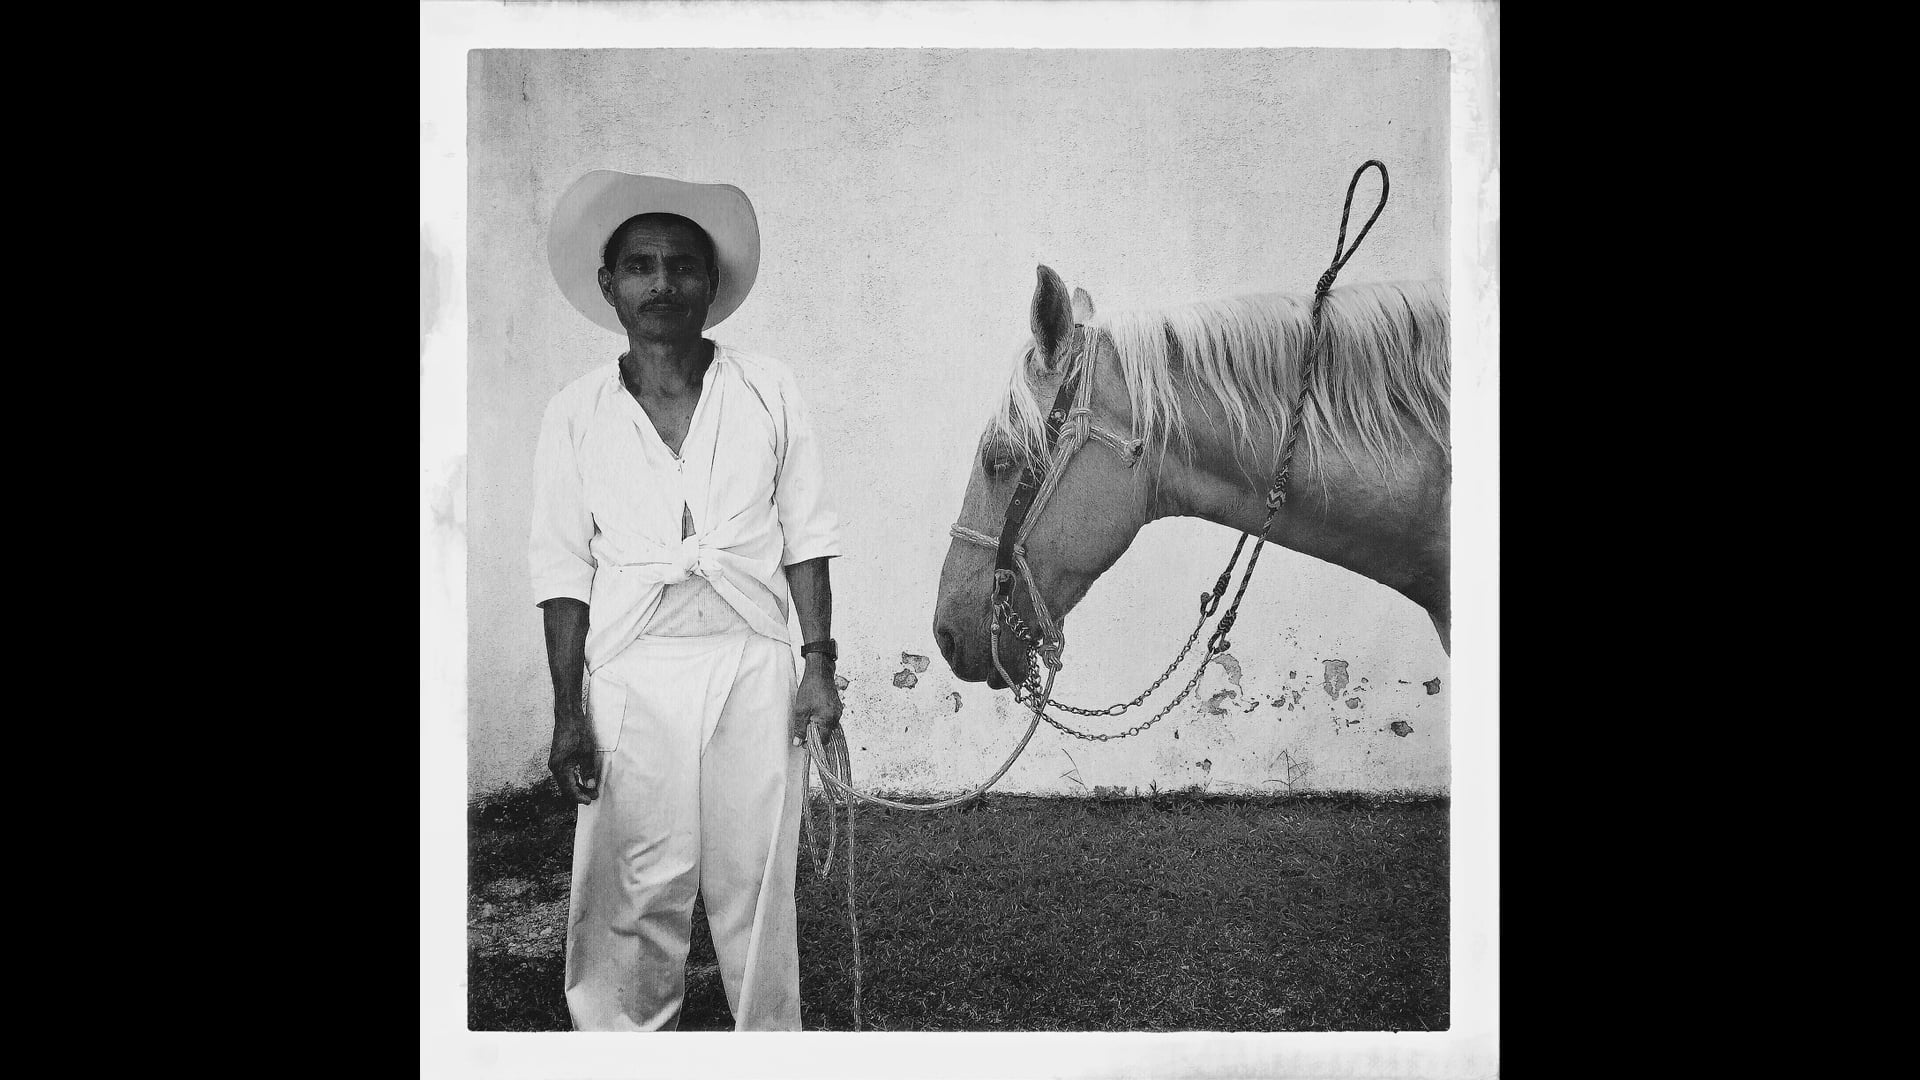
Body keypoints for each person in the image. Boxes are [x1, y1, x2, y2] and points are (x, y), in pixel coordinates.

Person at [528, 170, 844, 1031]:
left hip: (751, 661)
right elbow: (562, 573)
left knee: (756, 876)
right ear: (609, 286)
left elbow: (807, 535)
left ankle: (766, 1044)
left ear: (712, 284)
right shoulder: (575, 413)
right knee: (636, 882)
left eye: (682, 266)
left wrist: (819, 665)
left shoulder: (768, 388)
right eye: (641, 266)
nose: (662, 283)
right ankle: (627, 1044)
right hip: (632, 670)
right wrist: (568, 712)